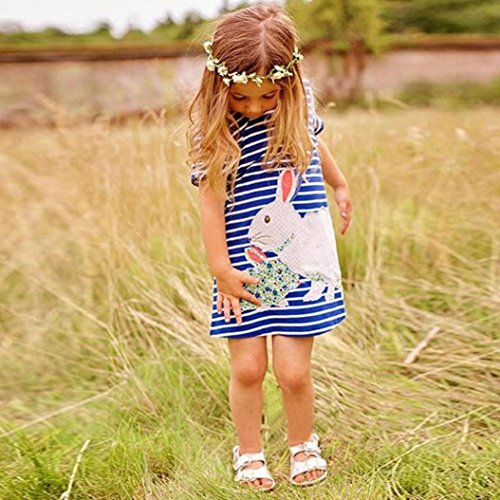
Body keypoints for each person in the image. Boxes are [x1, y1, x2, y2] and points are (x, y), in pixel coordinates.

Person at [187, 2, 352, 492]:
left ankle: (302, 444)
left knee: (293, 372)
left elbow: (316, 145)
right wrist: (221, 270)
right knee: (248, 367)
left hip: (300, 264)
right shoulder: (217, 131)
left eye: (268, 95)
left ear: (289, 82)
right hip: (243, 267)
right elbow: (210, 204)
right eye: (241, 97)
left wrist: (339, 183)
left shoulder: (300, 110)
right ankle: (250, 451)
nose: (255, 107)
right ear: (220, 86)